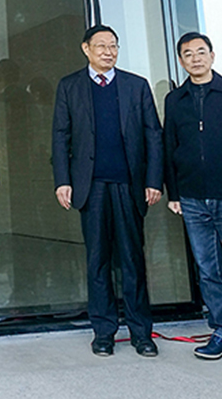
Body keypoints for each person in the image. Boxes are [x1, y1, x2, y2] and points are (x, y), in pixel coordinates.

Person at [52, 24, 163, 357]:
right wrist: (63, 180)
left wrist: (153, 180)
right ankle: (103, 332)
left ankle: (141, 333)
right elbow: (60, 136)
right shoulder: (70, 86)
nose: (108, 51)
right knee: (97, 261)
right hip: (91, 186)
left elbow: (153, 135)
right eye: (101, 45)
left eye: (113, 45)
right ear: (86, 48)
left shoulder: (136, 85)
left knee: (133, 260)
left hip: (129, 184)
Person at [164, 32, 222, 360]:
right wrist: (174, 192)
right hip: (191, 196)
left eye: (201, 52)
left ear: (212, 55)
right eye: (188, 54)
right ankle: (220, 329)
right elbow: (168, 146)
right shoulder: (174, 100)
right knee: (208, 268)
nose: (196, 58)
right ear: (181, 61)